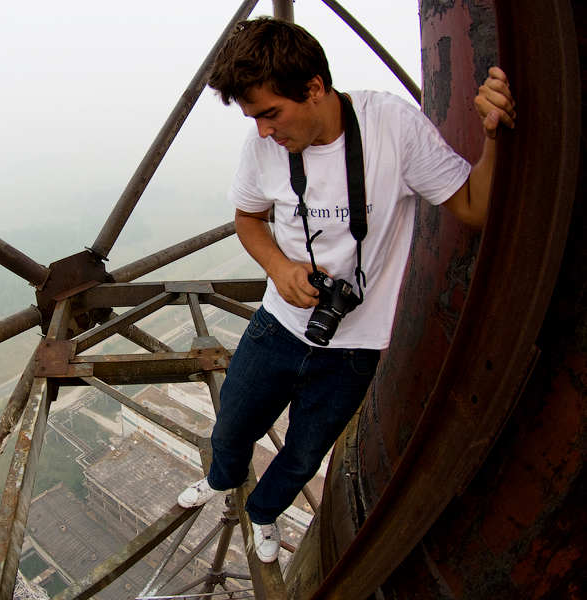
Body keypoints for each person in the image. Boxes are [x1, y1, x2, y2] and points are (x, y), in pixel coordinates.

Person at [176, 17, 516, 564]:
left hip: (354, 348)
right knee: (234, 423)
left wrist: (495, 139)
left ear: (314, 87)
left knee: (305, 453)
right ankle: (221, 481)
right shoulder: (264, 144)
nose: (263, 131)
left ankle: (263, 514)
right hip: (276, 328)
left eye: (270, 114)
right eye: (253, 118)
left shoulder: (391, 128)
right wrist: (281, 268)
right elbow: (248, 219)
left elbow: (476, 205)